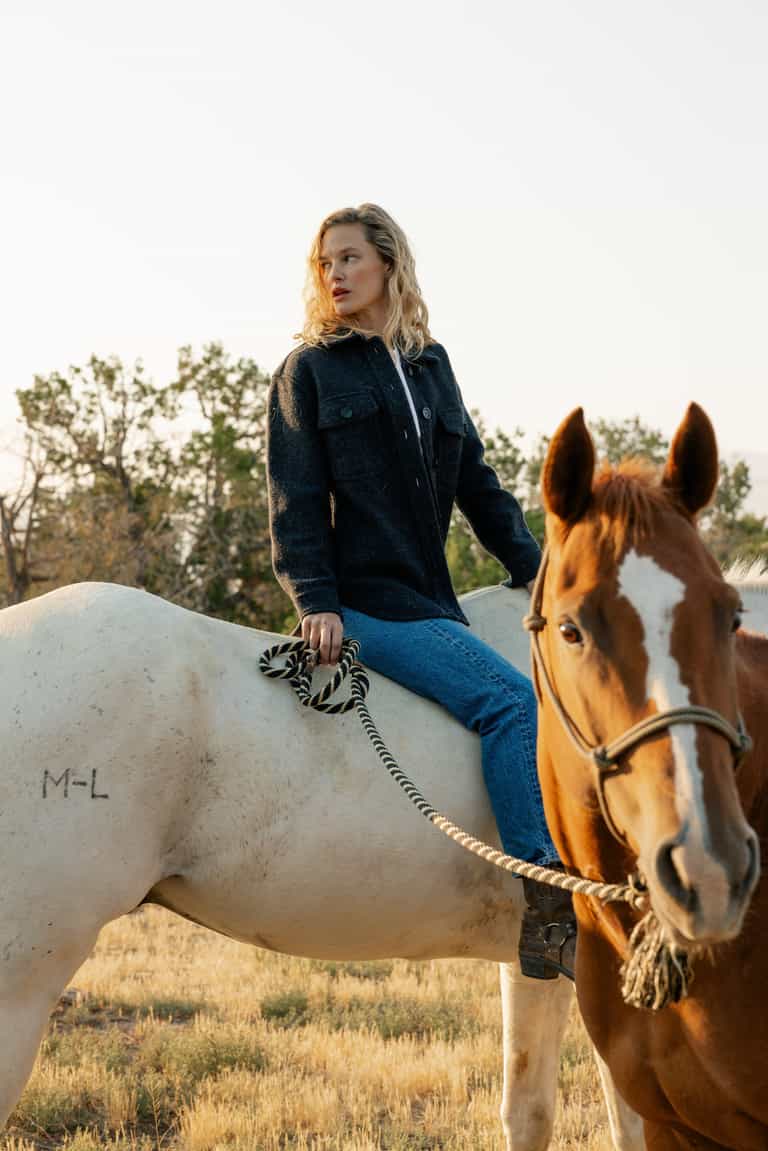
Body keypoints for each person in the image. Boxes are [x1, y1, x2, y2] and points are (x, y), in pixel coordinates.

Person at [266, 203, 575, 980]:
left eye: (348, 259)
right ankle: (548, 906)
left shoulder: (430, 366)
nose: (333, 274)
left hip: (435, 599)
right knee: (512, 704)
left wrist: (534, 567)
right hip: (368, 605)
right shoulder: (309, 372)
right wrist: (317, 603)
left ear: (388, 265)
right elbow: (293, 503)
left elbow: (475, 479)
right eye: (324, 264)